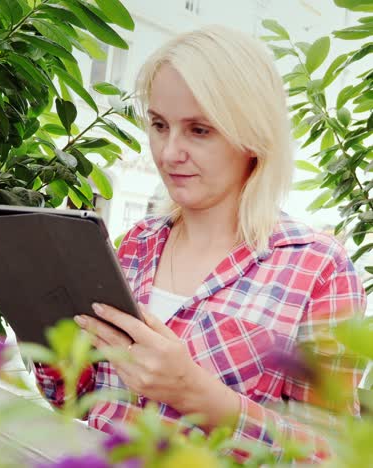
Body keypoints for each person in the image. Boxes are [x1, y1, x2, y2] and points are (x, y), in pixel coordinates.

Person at [34, 25, 366, 462]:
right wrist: (42, 322)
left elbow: (333, 455)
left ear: (253, 137)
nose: (169, 152)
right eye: (159, 125)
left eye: (199, 130)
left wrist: (200, 396)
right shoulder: (136, 244)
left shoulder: (318, 269)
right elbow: (77, 401)